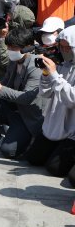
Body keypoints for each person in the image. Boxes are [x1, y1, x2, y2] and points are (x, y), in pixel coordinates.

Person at [0, 28, 45, 158]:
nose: (10, 51)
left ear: (27, 47)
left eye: (14, 48)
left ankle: (26, 138)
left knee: (8, 151)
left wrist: (0, 89)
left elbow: (27, 98)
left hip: (28, 116)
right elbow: (5, 82)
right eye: (9, 46)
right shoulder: (14, 62)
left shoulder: (36, 66)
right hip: (13, 109)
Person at [26, 25, 75, 182]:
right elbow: (45, 93)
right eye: (62, 47)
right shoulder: (61, 63)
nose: (65, 51)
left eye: (68, 48)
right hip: (54, 122)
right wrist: (47, 74)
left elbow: (71, 99)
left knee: (55, 168)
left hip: (72, 129)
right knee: (33, 158)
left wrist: (54, 75)